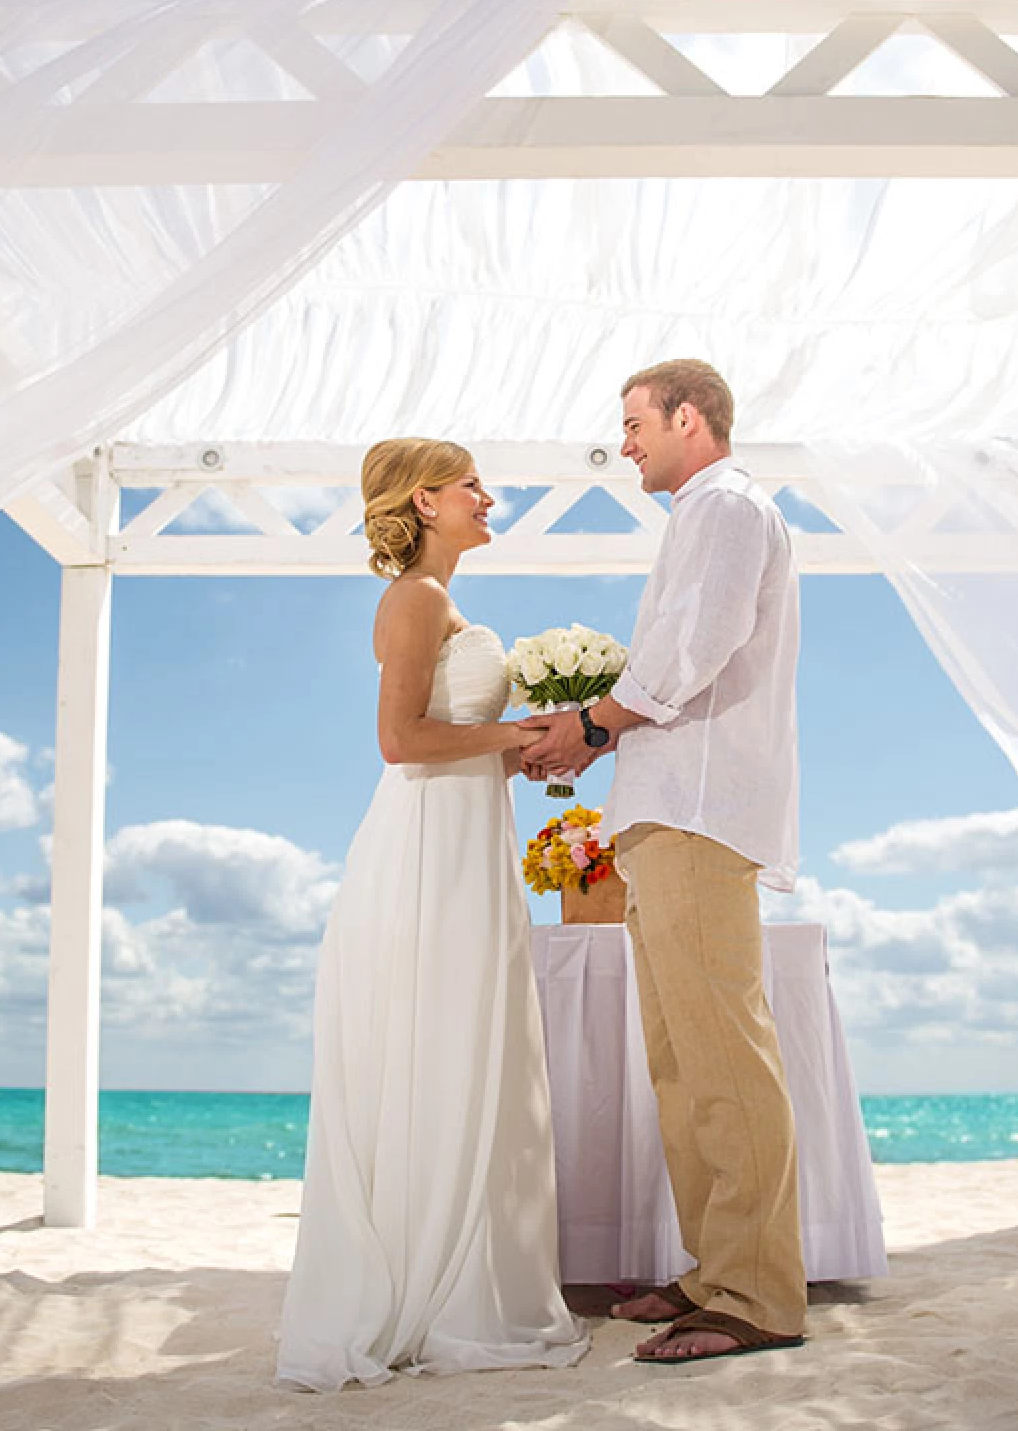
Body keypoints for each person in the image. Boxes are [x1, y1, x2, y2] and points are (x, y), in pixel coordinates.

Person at [275, 437, 589, 1392]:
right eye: (472, 487)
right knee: (439, 1045)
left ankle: (468, 1276)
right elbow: (400, 740)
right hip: (422, 854)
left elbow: (455, 747)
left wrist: (523, 753)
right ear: (426, 500)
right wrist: (526, 729)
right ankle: (430, 1288)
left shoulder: (447, 603)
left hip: (467, 838)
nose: (489, 498)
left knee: (471, 1048)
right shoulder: (414, 600)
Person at [522, 359, 807, 1363]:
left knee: (722, 1053)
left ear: (689, 417)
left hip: (696, 809)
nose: (626, 442)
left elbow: (701, 640)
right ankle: (715, 1268)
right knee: (684, 1063)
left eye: (636, 422)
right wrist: (602, 735)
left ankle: (758, 1293)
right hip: (666, 808)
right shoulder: (701, 512)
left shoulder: (725, 506)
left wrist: (590, 724)